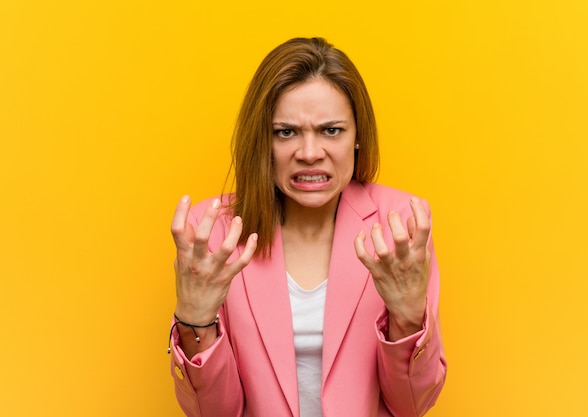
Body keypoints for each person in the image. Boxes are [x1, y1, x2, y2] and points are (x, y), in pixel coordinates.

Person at [168, 37, 446, 417]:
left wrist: (410, 318)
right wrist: (194, 322)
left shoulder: (401, 226)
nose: (310, 153)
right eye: (286, 132)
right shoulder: (212, 234)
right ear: (262, 140)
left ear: (359, 136)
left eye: (331, 130)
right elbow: (214, 413)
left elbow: (411, 404)